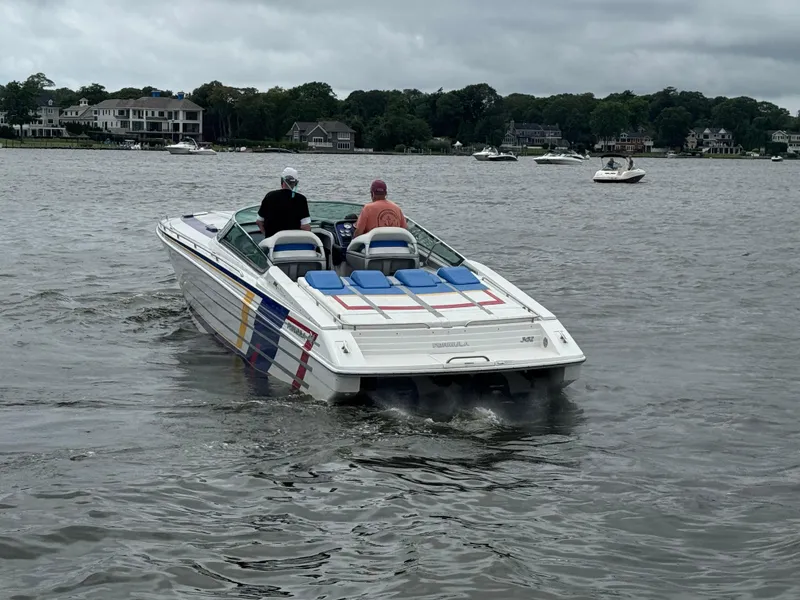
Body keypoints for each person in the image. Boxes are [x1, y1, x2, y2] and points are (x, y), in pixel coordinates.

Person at [256, 167, 311, 238]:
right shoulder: (301, 199)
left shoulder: (269, 196)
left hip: (272, 244)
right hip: (294, 242)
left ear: (282, 181)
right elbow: (305, 227)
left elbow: (259, 222)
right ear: (296, 183)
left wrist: (267, 237)